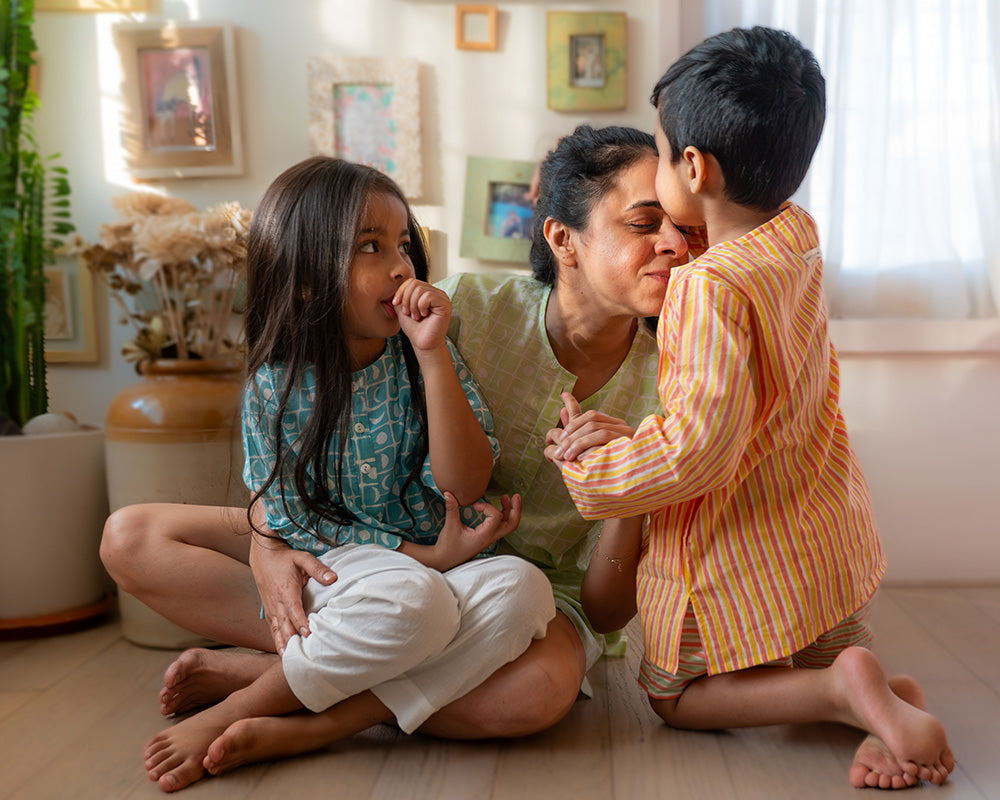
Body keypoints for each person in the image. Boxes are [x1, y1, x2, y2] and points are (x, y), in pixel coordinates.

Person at [99, 124, 693, 771]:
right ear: (562, 237)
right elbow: (282, 496)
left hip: (493, 587)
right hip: (355, 557)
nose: (674, 244)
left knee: (534, 688)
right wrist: (270, 546)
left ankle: (302, 701)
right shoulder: (457, 309)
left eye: (684, 228)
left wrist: (634, 481)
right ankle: (338, 655)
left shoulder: (682, 385)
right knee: (132, 536)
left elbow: (605, 611)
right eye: (644, 221)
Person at [544, 27, 954, 791]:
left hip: (742, 545)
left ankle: (842, 691)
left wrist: (599, 470)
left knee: (671, 692)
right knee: (826, 648)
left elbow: (697, 449)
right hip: (823, 526)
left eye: (664, 153)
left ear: (693, 168)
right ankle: (881, 702)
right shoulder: (795, 234)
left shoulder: (706, 289)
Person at [141, 156, 555, 792]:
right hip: (344, 569)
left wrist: (434, 356)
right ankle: (238, 710)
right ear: (307, 280)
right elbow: (290, 520)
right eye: (370, 246)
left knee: (526, 590)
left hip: (416, 577)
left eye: (403, 245)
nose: (400, 266)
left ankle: (300, 698)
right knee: (415, 603)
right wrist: (428, 559)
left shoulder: (425, 355)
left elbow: (465, 485)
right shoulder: (275, 383)